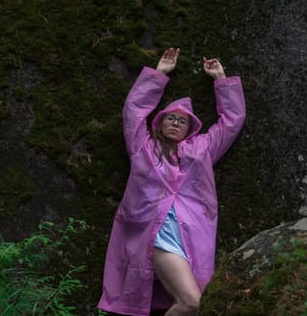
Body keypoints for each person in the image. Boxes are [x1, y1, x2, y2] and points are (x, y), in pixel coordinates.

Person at [97, 47, 246, 316]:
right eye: (171, 118)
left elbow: (232, 122)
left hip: (191, 234)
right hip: (154, 232)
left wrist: (221, 79)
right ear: (160, 123)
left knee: (193, 304)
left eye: (182, 121)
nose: (176, 123)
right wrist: (159, 74)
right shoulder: (142, 146)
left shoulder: (202, 149)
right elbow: (133, 111)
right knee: (192, 303)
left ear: (190, 129)